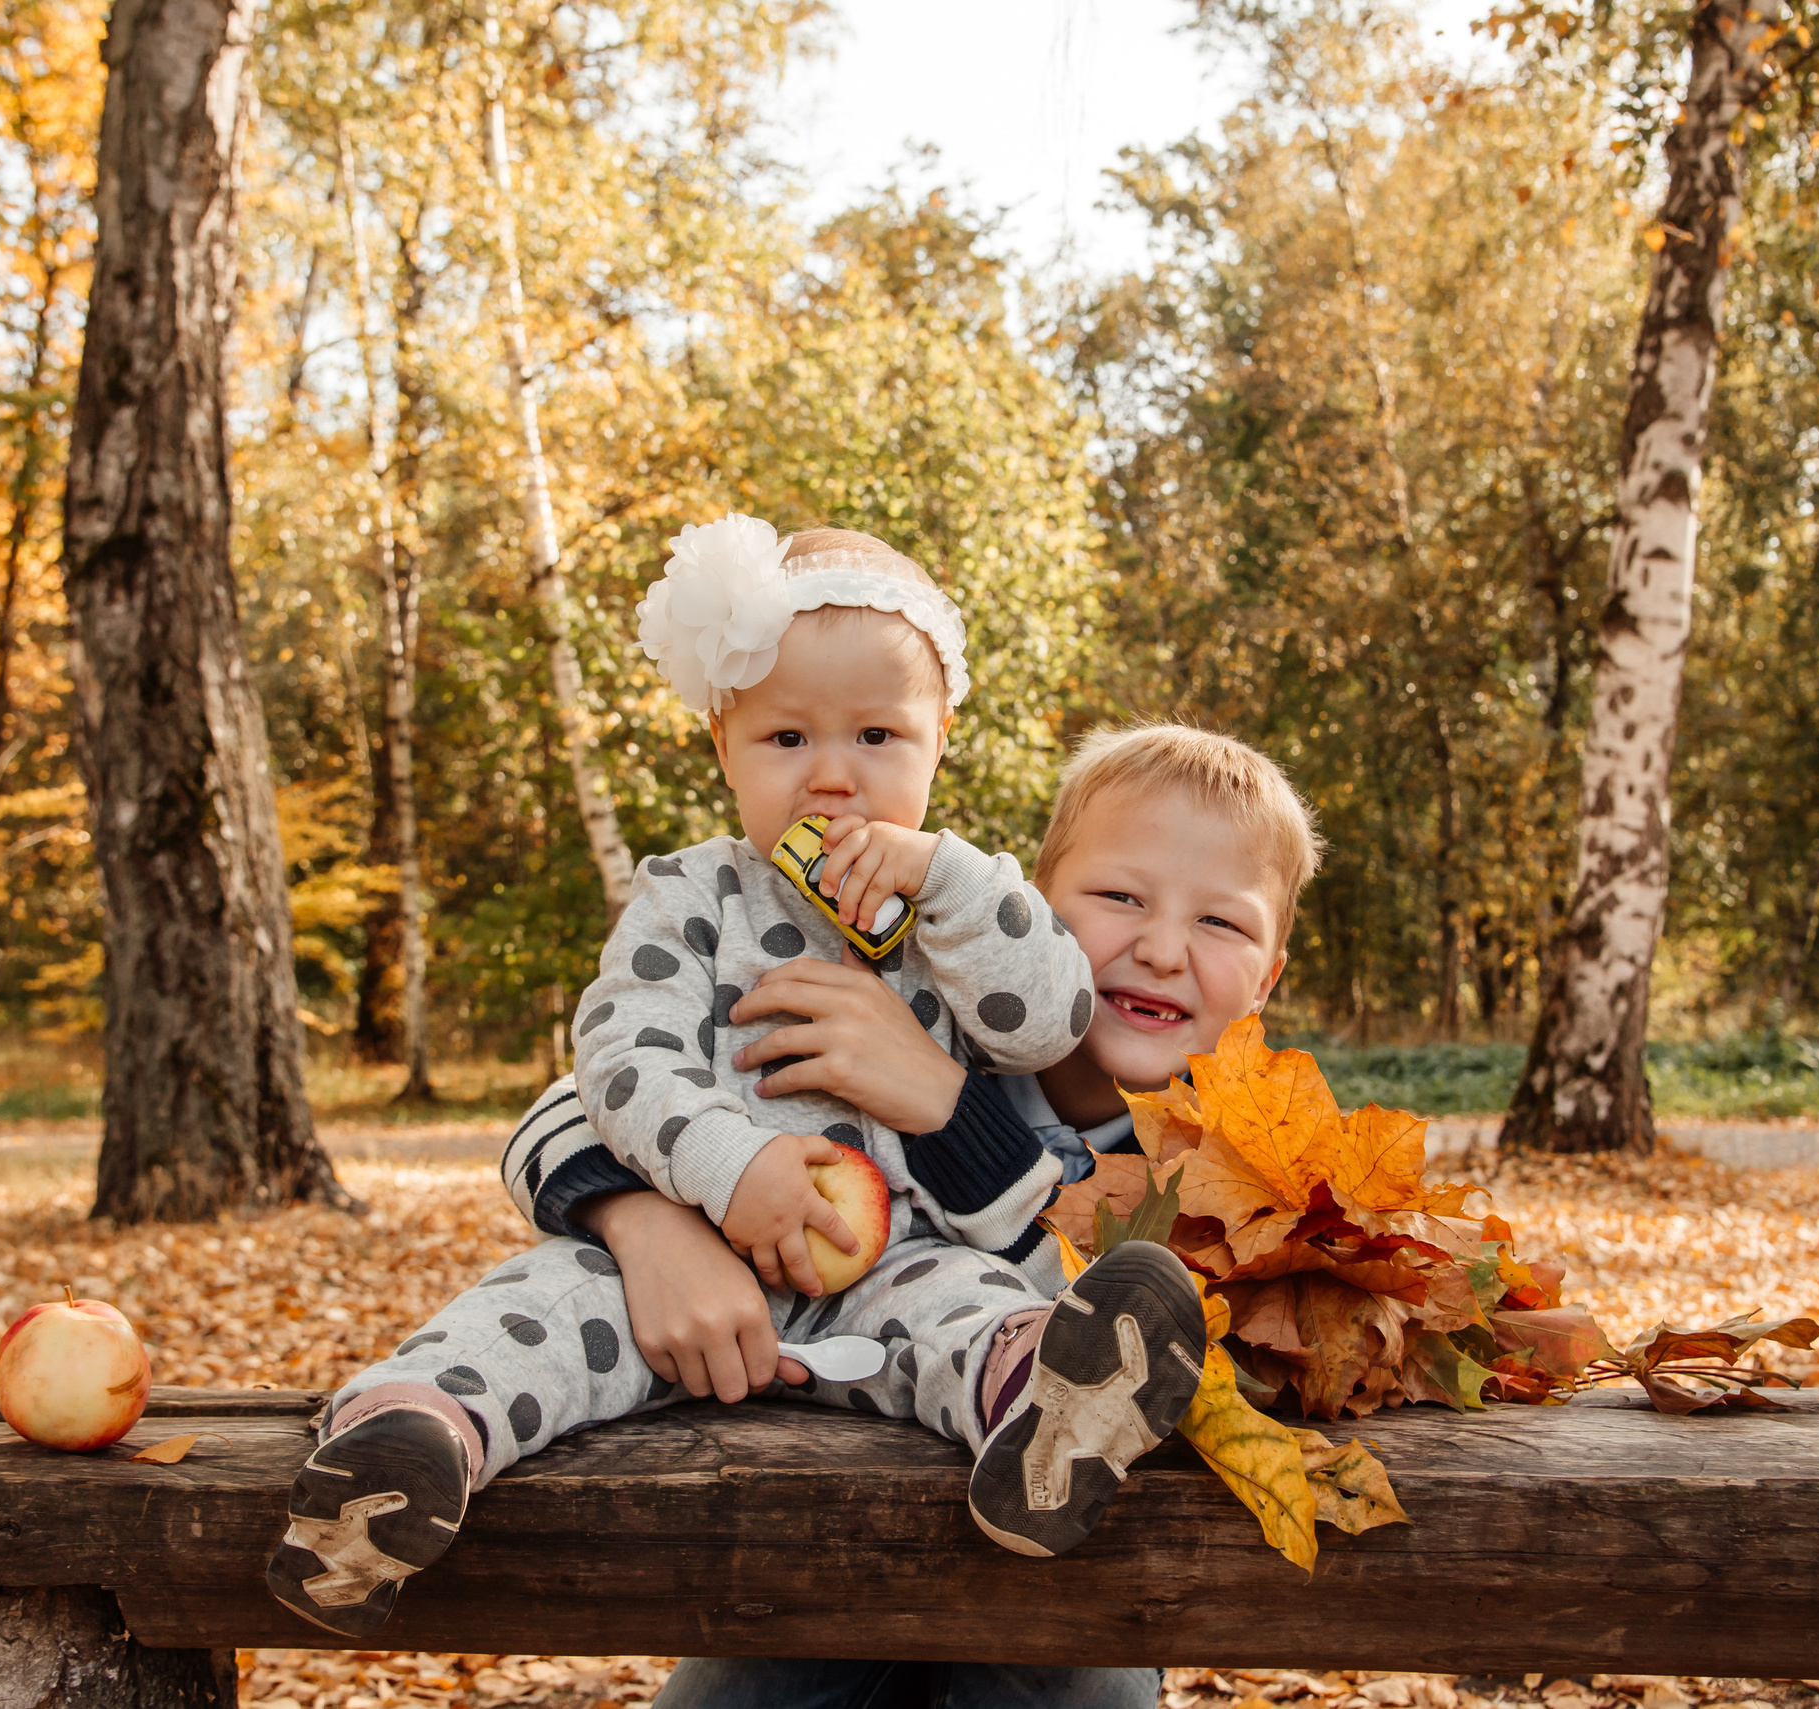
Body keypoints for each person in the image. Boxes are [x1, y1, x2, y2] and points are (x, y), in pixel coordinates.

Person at [267, 520, 1211, 1641]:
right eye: (783, 736)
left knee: (973, 1313)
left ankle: (1046, 1409)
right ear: (721, 742)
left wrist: (948, 876)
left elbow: (1046, 1013)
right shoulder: (691, 898)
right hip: (690, 1257)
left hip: (893, 1259)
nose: (832, 772)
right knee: (542, 1312)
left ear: (938, 741)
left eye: (877, 733)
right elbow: (619, 1058)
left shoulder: (958, 911)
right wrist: (729, 1165)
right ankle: (401, 1451)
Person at [505, 721, 1325, 1709]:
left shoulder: (1257, 1178)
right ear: (1025, 904)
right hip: (810, 1549)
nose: (1158, 948)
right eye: (1117, 897)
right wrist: (647, 1220)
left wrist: (944, 1103)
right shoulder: (907, 982)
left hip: (1069, 1603)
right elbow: (583, 1093)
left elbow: (1084, 1311)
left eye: (1222, 924)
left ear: (1270, 973)